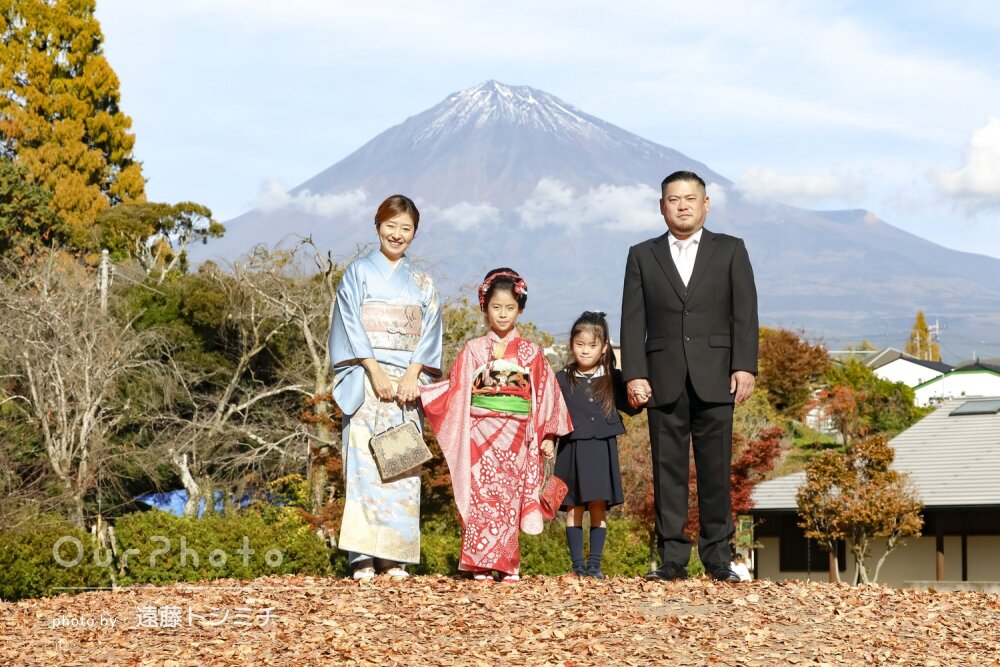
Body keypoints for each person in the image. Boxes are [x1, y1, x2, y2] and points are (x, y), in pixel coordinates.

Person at [620, 170, 758, 583]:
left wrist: (745, 365)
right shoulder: (642, 254)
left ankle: (718, 557)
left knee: (716, 469)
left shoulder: (731, 249)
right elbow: (632, 319)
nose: (682, 205)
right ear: (661, 206)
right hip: (662, 377)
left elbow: (745, 313)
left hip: (717, 375)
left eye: (689, 198)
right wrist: (635, 374)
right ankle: (672, 558)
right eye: (673, 199)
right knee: (668, 469)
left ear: (706, 204)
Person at [421, 268, 572, 582]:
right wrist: (424, 393)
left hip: (518, 438)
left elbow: (545, 394)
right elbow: (456, 389)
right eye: (496, 307)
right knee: (481, 498)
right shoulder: (473, 350)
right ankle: (478, 563)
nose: (503, 314)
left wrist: (548, 434)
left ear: (520, 310)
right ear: (484, 307)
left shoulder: (531, 353)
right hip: (479, 436)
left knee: (509, 498)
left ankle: (507, 563)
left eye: (510, 308)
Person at [328, 194, 443, 581]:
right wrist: (373, 369)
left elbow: (430, 333)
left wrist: (413, 374)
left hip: (406, 387)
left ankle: (393, 556)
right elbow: (348, 323)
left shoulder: (422, 283)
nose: (397, 234)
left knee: (400, 465)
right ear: (377, 225)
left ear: (414, 233)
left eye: (405, 228)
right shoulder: (358, 273)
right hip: (366, 379)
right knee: (362, 466)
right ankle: (361, 555)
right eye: (390, 225)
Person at [554, 311, 638, 579]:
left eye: (592, 346)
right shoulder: (561, 379)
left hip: (601, 449)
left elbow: (634, 405)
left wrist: (644, 391)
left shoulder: (613, 378)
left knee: (598, 506)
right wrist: (546, 439)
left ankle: (595, 566)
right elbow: (550, 414)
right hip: (571, 449)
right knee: (574, 506)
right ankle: (577, 565)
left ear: (604, 347)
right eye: (580, 345)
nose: (586, 351)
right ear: (571, 345)